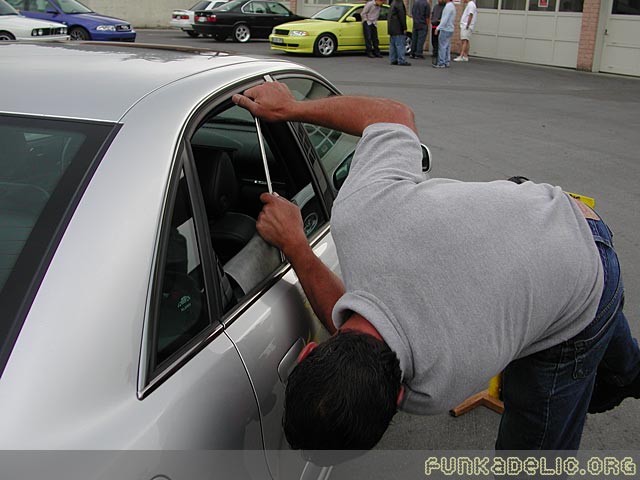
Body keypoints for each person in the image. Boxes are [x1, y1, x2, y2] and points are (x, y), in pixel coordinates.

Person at [231, 82, 640, 452]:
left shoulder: (431, 389)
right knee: (619, 371)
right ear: (308, 354)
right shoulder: (358, 214)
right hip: (555, 220)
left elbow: (368, 349)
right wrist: (291, 109)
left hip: (579, 282)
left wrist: (299, 250)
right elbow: (393, 115)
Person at [388, 0, 411, 66]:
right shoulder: (399, 4)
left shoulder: (393, 3)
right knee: (400, 45)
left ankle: (393, 59)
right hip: (398, 28)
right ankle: (401, 60)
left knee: (393, 45)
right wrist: (404, 27)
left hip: (391, 28)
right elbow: (402, 17)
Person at [433, 0, 455, 68]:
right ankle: (446, 62)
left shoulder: (447, 7)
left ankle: (441, 62)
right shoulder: (452, 6)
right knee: (447, 46)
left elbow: (444, 19)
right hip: (450, 29)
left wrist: (438, 28)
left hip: (445, 29)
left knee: (442, 46)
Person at [430, 0, 445, 65]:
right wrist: (432, 20)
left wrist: (439, 21)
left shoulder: (445, 7)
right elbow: (433, 14)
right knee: (433, 40)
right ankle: (435, 52)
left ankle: (437, 54)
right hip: (434, 25)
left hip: (439, 26)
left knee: (438, 41)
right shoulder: (436, 6)